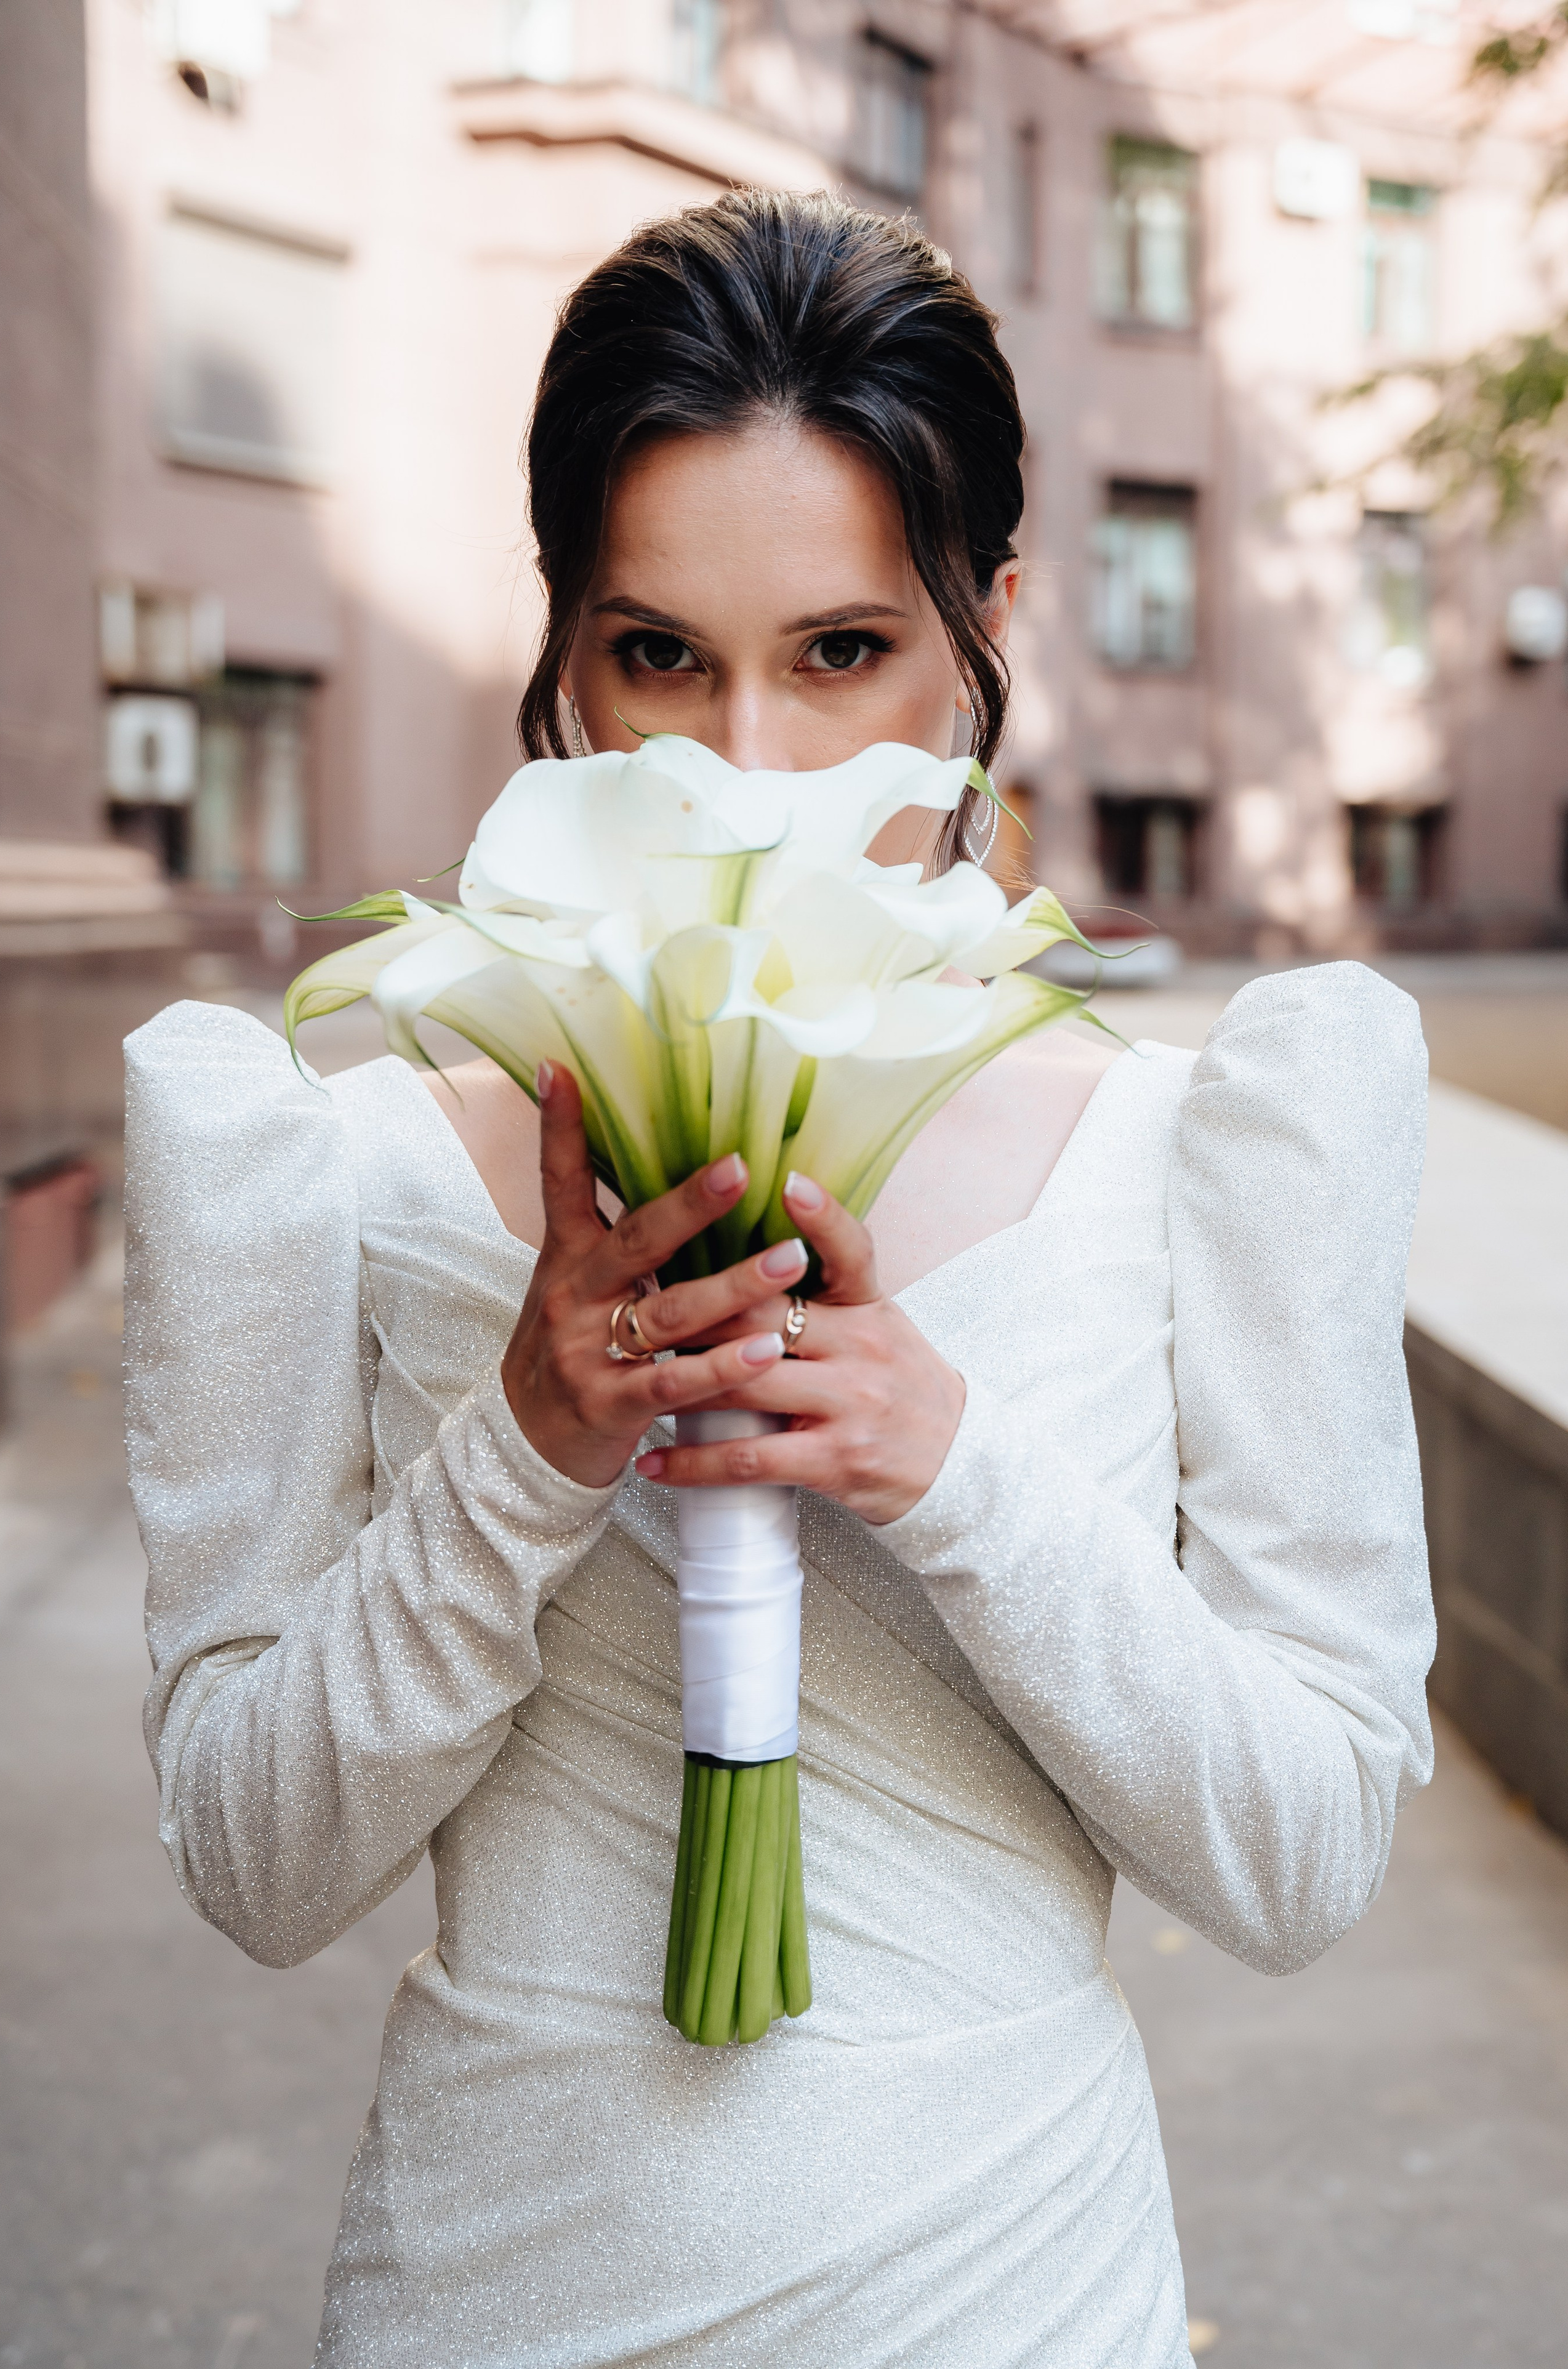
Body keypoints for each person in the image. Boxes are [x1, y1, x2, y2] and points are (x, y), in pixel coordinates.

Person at [125, 190, 1434, 2367]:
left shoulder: (1191, 1151)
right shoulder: (335, 1166)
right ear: (559, 650)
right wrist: (530, 1451)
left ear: (991, 626)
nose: (745, 777)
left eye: (842, 655)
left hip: (1017, 2286)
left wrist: (950, 1466)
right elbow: (256, 1866)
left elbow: (1296, 1865)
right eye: (660, 656)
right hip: (500, 2279)